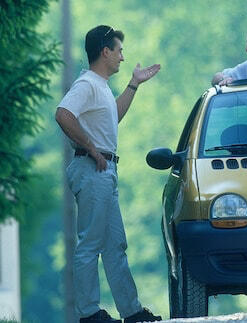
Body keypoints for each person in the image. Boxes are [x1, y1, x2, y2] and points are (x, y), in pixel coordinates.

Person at [55, 25, 162, 323]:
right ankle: (89, 314)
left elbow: (112, 118)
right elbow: (63, 113)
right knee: (90, 243)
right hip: (93, 168)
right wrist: (90, 147)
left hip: (105, 170)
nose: (122, 57)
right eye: (119, 51)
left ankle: (132, 312)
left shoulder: (100, 85)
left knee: (115, 244)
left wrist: (133, 85)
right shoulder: (87, 84)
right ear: (105, 52)